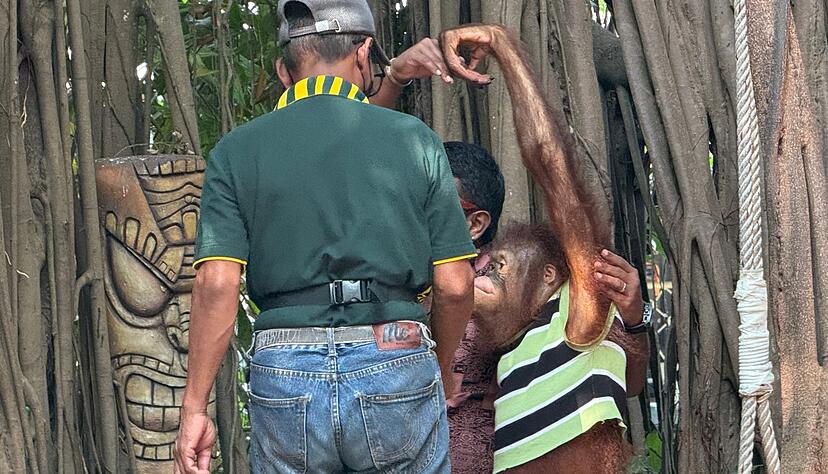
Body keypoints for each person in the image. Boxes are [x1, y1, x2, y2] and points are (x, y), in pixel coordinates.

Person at [173, 1, 476, 473]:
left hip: (284, 367)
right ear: (363, 55)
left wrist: (195, 408)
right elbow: (456, 285)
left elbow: (217, 285)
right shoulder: (416, 141)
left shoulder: (236, 152)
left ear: (282, 70)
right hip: (393, 351)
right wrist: (435, 364)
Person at [439, 142, 649, 474]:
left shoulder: (571, 311)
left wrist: (636, 318)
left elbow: (564, 190)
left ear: (546, 277)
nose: (489, 274)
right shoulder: (511, 347)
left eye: (499, 266)